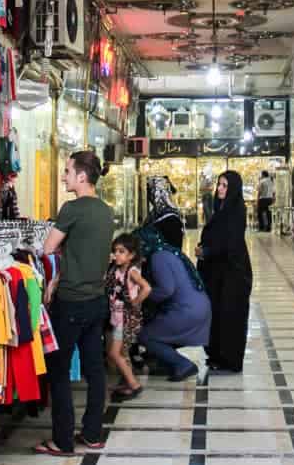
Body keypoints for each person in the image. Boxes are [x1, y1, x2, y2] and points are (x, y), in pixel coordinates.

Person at [35, 150, 114, 455]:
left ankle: (62, 439)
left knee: (59, 371)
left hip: (70, 303)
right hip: (97, 301)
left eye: (67, 171)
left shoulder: (72, 208)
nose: (64, 175)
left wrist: (57, 274)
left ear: (82, 176)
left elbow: (48, 247)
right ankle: (93, 433)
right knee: (95, 370)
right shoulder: (106, 211)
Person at [138, 225, 211, 382]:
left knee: (144, 335)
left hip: (186, 312)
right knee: (159, 328)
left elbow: (166, 290)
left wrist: (143, 294)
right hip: (198, 307)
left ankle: (182, 364)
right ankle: (166, 362)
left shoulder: (158, 257)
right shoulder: (167, 251)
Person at [197, 170, 253, 373]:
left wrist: (208, 250)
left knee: (231, 315)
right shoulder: (220, 209)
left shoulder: (237, 210)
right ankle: (217, 355)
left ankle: (230, 359)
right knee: (216, 313)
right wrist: (203, 248)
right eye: (219, 184)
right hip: (217, 272)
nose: (219, 188)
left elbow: (231, 242)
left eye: (224, 185)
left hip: (234, 273)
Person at [106, 233, 152, 402]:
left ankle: (134, 384)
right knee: (122, 353)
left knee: (114, 353)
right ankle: (128, 381)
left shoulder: (132, 271)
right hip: (117, 318)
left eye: (121, 251)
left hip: (125, 320)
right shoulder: (116, 269)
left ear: (131, 255)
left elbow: (146, 288)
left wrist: (134, 302)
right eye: (115, 251)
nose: (117, 254)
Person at [145, 176, 184, 249]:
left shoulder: (171, 219)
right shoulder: (155, 213)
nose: (149, 198)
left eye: (151, 193)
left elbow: (174, 248)